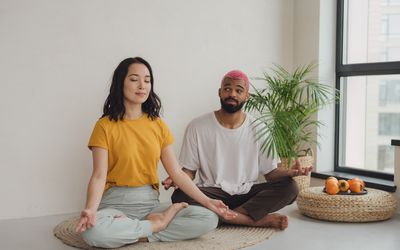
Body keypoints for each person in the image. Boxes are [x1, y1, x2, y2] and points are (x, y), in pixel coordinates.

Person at [75, 57, 236, 248]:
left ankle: (141, 228)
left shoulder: (158, 125)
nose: (142, 85)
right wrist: (91, 210)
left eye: (147, 80)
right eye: (134, 79)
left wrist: (208, 201)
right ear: (121, 83)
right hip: (114, 205)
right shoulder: (104, 126)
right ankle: (155, 225)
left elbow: (177, 173)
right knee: (93, 232)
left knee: (208, 218)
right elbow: (99, 175)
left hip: (149, 204)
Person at [163, 69, 312, 230]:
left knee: (290, 187)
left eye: (238, 90)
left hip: (247, 193)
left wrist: (289, 173)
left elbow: (270, 174)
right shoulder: (197, 126)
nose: (232, 94)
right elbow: (189, 172)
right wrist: (176, 178)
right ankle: (250, 220)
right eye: (227, 89)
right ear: (220, 92)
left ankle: (224, 217)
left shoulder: (260, 128)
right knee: (179, 195)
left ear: (246, 96)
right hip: (213, 193)